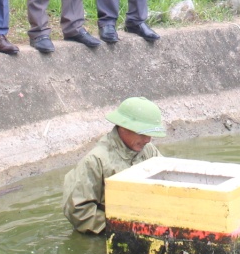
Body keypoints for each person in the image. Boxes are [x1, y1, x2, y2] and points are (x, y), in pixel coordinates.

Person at [62, 96, 165, 234]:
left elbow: (167, 182)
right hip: (105, 236)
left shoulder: (149, 150)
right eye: (142, 133)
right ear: (123, 127)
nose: (147, 139)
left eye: (150, 134)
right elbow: (78, 210)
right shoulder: (95, 160)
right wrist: (122, 229)